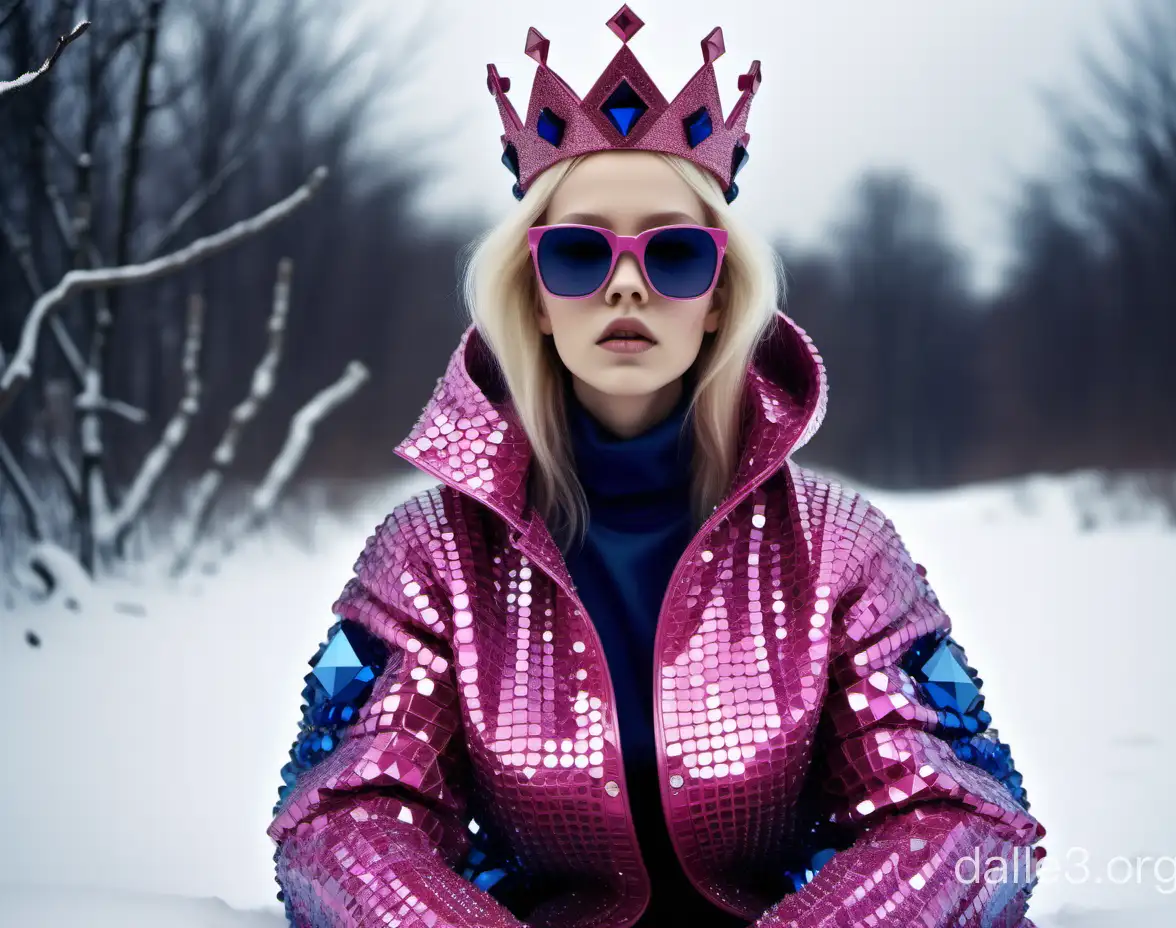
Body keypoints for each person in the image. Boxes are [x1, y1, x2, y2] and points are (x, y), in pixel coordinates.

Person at [266, 6, 1046, 926]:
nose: (627, 284)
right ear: (536, 297)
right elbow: (342, 820)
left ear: (719, 299)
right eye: (579, 252)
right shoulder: (431, 552)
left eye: (674, 253)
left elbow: (965, 819)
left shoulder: (839, 545)